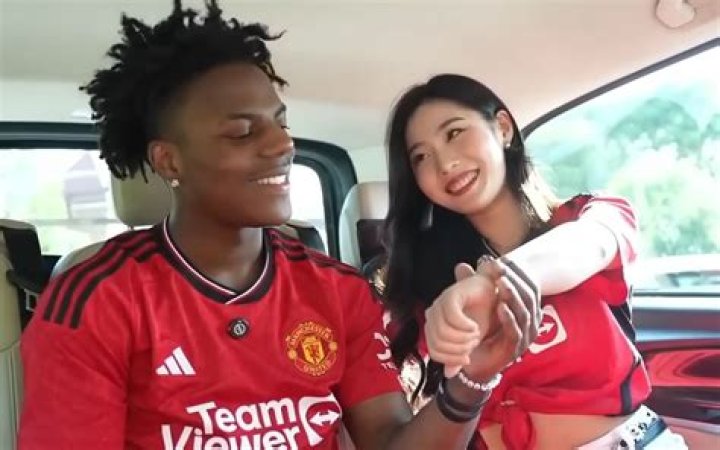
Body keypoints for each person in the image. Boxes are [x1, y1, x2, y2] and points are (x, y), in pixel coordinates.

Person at [17, 2, 540, 449]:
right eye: (244, 132)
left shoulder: (337, 290)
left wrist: (471, 382)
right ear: (169, 161)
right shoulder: (96, 300)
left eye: (281, 123)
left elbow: (388, 440)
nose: (283, 145)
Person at [380, 74, 689, 449]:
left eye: (454, 133)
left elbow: (588, 246)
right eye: (421, 157)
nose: (445, 163)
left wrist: (489, 284)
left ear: (503, 128)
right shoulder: (426, 287)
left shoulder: (588, 217)